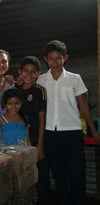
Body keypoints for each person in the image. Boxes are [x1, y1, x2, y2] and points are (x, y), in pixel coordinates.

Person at [37, 40, 100, 205]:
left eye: (58, 58)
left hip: (73, 133)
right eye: (51, 59)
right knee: (59, 175)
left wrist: (94, 133)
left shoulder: (74, 79)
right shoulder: (41, 81)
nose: (55, 62)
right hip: (51, 134)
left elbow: (84, 106)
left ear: (65, 58)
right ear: (45, 59)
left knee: (77, 174)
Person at [16, 56, 50, 205]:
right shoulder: (15, 91)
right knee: (24, 177)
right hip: (20, 140)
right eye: (25, 71)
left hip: (38, 139)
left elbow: (42, 119)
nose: (29, 75)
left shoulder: (39, 91)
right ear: (20, 72)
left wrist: (40, 146)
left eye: (33, 72)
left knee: (42, 179)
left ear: (38, 74)